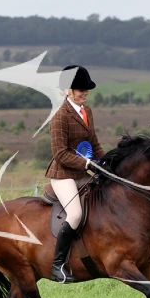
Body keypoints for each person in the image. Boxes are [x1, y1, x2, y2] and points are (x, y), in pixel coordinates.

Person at [45, 65, 105, 283]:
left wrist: (106, 163)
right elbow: (60, 154)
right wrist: (88, 163)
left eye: (86, 89)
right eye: (81, 89)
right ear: (67, 90)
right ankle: (57, 265)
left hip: (82, 170)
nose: (85, 93)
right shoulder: (60, 116)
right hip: (63, 174)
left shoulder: (86, 110)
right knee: (76, 214)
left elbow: (93, 142)